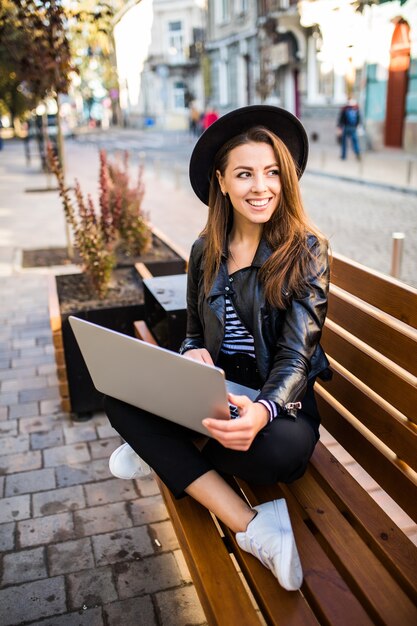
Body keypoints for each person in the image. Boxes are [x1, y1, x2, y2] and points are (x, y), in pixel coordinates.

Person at [105, 105, 330, 591]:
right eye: (245, 173)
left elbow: (297, 355)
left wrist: (265, 408)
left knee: (277, 458)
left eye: (272, 173)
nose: (261, 187)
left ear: (286, 179)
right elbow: (190, 330)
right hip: (216, 396)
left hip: (280, 406)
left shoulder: (307, 251)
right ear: (222, 182)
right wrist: (190, 353)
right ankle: (252, 526)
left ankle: (160, 444)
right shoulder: (204, 250)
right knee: (117, 394)